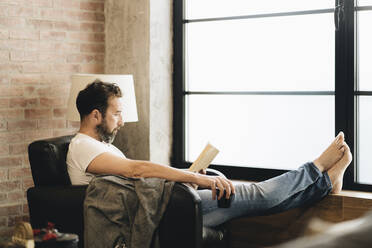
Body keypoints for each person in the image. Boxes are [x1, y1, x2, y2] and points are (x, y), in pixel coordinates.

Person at [67, 80, 352, 227]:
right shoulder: (81, 147)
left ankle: (325, 182)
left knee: (261, 201)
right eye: (116, 114)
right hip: (159, 213)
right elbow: (135, 171)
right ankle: (316, 169)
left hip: (164, 204)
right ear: (95, 115)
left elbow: (136, 181)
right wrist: (197, 180)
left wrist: (189, 178)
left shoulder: (105, 147)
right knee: (257, 195)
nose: (122, 121)